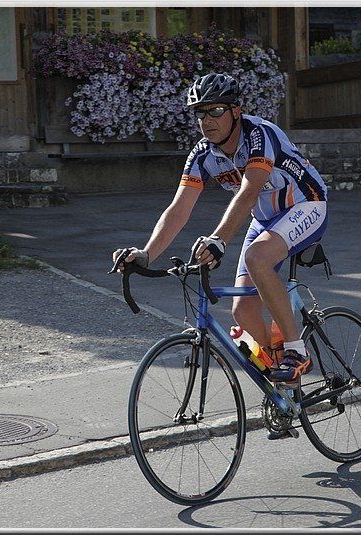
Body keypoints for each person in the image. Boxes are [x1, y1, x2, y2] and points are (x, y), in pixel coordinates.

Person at [113, 72, 328, 384]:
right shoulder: (203, 154)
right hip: (265, 220)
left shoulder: (259, 135)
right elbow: (179, 208)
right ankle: (283, 383)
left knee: (257, 258)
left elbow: (249, 192)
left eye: (215, 110)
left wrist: (219, 239)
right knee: (242, 311)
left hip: (306, 204)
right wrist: (147, 254)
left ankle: (297, 350)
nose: (207, 120)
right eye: (200, 113)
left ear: (235, 111)